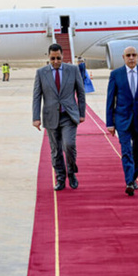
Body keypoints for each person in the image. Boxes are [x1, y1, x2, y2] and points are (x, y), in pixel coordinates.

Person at [33, 44, 86, 191]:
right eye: (52, 58)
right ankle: (60, 178)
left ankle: (71, 172)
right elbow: (36, 97)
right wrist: (35, 117)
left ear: (63, 56)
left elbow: (81, 93)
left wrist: (82, 113)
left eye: (58, 58)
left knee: (69, 145)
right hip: (51, 117)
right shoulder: (41, 73)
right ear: (49, 57)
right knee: (55, 150)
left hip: (68, 116)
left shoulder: (73, 70)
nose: (56, 61)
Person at [106, 46, 138, 196]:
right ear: (123, 57)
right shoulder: (116, 74)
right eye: (128, 55)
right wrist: (110, 122)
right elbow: (110, 100)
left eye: (134, 55)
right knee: (126, 150)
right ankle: (129, 181)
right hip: (122, 119)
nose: (131, 58)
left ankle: (133, 177)